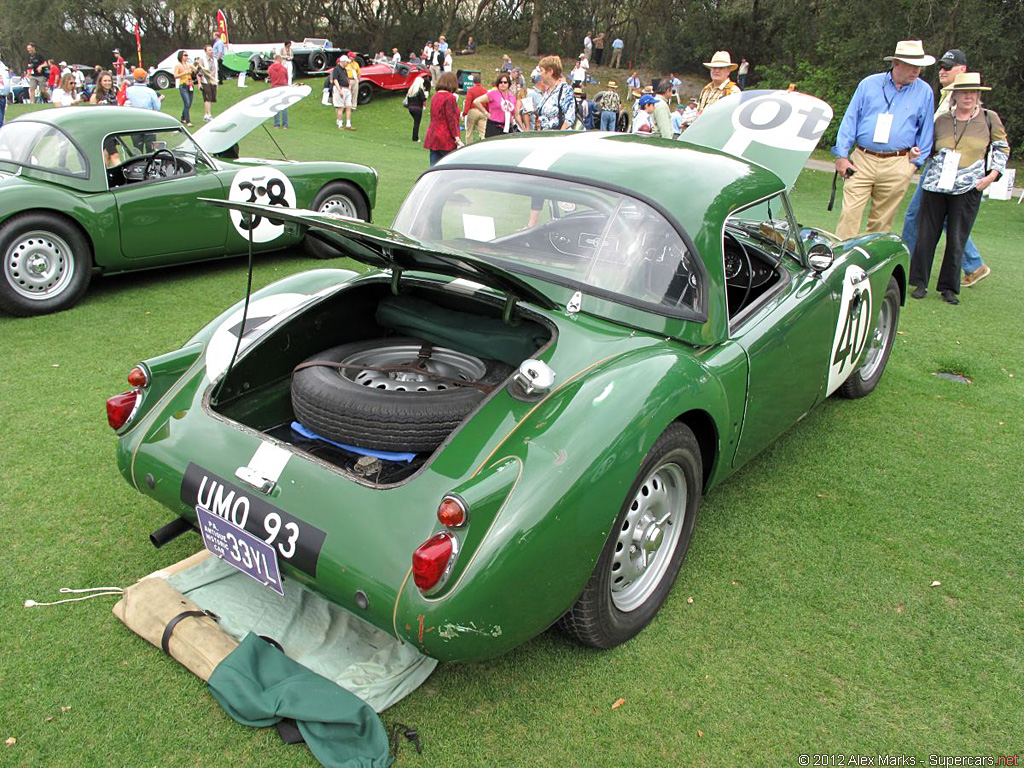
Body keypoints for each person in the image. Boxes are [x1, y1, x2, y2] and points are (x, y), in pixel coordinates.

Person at [909, 73, 1008, 304]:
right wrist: (916, 154)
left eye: (973, 92)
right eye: (964, 92)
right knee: (926, 235)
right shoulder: (942, 120)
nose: (969, 96)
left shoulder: (988, 118)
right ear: (955, 95)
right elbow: (927, 148)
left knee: (956, 237)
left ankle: (948, 288)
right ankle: (919, 282)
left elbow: (1002, 148)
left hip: (969, 187)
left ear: (978, 96)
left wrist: (991, 176)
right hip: (936, 185)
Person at [901, 48, 989, 288]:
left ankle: (904, 264)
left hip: (954, 170)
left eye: (948, 67)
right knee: (943, 219)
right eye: (941, 66)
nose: (942, 71)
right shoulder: (943, 96)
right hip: (936, 164)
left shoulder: (967, 101)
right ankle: (974, 264)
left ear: (962, 70)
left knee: (916, 216)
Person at [831, 40, 935, 240]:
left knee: (881, 223)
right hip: (862, 158)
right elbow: (850, 120)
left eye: (919, 66)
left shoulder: (924, 91)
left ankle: (870, 267)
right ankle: (840, 264)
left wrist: (915, 163)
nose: (917, 70)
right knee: (849, 214)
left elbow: (926, 130)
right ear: (896, 63)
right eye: (912, 65)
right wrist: (842, 156)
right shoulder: (869, 84)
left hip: (898, 162)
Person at [423, 71, 460, 165]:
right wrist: (457, 137)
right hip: (445, 137)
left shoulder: (435, 96)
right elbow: (451, 119)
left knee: (434, 167)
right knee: (447, 167)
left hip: (433, 135)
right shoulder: (450, 97)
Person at [534, 55, 575, 131]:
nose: (539, 74)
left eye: (541, 70)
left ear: (550, 71)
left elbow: (569, 119)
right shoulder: (548, 91)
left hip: (557, 138)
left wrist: (559, 138)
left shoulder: (565, 90)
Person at [90, 71, 121, 167]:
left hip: (114, 128)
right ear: (100, 82)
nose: (108, 83)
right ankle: (122, 175)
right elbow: (91, 115)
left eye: (109, 81)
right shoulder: (95, 96)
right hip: (103, 130)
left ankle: (102, 176)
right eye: (105, 81)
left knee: (107, 155)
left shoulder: (113, 94)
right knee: (114, 155)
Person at [462, 74, 487, 144]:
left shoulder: (471, 90)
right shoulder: (485, 90)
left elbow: (468, 102)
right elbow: (487, 102)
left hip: (473, 110)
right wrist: (487, 112)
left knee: (469, 132)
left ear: (473, 81)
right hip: (482, 111)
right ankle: (485, 145)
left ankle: (469, 147)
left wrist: (465, 113)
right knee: (483, 132)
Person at [196, 44, 219, 122]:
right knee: (207, 98)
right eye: (209, 50)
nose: (211, 51)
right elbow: (199, 73)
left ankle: (207, 114)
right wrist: (199, 83)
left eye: (212, 49)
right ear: (205, 51)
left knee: (211, 98)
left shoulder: (215, 60)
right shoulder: (202, 60)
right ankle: (208, 115)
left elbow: (216, 71)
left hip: (213, 82)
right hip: (205, 82)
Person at [173, 50, 195, 125]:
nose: (186, 56)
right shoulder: (178, 65)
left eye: (187, 55)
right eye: (185, 55)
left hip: (190, 84)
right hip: (183, 85)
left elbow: (195, 70)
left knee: (189, 103)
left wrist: (195, 66)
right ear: (181, 57)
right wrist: (184, 73)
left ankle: (183, 117)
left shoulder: (189, 65)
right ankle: (188, 120)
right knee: (187, 102)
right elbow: (175, 76)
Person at [267, 54, 289, 128]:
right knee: (284, 106)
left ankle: (276, 124)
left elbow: (270, 77)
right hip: (283, 88)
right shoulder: (284, 69)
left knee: (275, 106)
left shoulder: (270, 68)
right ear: (280, 60)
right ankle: (285, 124)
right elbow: (286, 78)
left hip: (274, 88)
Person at [405, 74, 429, 142]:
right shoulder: (420, 90)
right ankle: (415, 137)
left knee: (415, 122)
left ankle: (415, 136)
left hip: (411, 108)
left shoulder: (411, 90)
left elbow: (408, 99)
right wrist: (426, 96)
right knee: (417, 123)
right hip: (417, 108)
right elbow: (423, 99)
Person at [331, 55, 352, 130]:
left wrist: (349, 85)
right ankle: (340, 124)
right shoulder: (336, 69)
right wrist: (339, 90)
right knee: (340, 107)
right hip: (340, 89)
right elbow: (335, 80)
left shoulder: (344, 70)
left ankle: (348, 124)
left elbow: (346, 78)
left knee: (349, 106)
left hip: (347, 89)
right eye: (346, 62)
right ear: (343, 62)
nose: (347, 63)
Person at [0, 55, 9, 127]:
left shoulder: (3, 66)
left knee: (1, 119)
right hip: (2, 93)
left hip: (2, 94)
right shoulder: (3, 67)